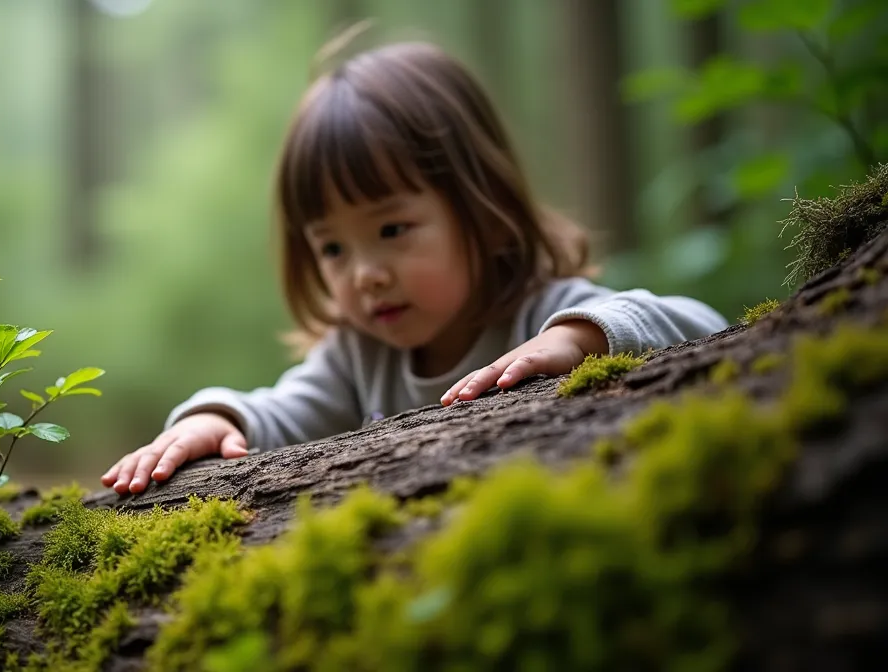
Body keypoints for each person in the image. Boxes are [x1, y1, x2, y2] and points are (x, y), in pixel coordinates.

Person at [101, 40, 728, 496]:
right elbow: (278, 413)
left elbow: (704, 323)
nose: (364, 274)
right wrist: (215, 419)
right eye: (333, 249)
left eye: (391, 230)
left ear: (480, 211)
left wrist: (576, 338)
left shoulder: (542, 314)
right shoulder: (357, 358)